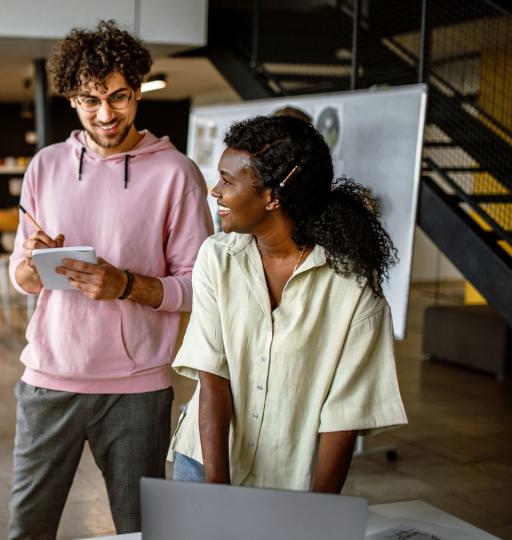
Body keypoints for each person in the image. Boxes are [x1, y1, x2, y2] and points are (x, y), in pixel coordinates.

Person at [7, 20, 213, 538]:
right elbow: (21, 278)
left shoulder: (176, 174)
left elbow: (199, 287)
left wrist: (124, 285)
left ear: (138, 90)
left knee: (140, 530)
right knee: (27, 529)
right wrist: (33, 265)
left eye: (119, 98)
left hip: (137, 388)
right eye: (88, 100)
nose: (106, 114)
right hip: (48, 379)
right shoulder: (45, 166)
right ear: (71, 99)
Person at [169, 114, 407, 492]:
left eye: (228, 181)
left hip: (291, 480)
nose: (215, 191)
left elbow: (344, 412)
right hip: (205, 464)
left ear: (272, 196)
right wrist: (215, 492)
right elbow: (212, 375)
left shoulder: (352, 284)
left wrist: (317, 510)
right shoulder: (216, 257)